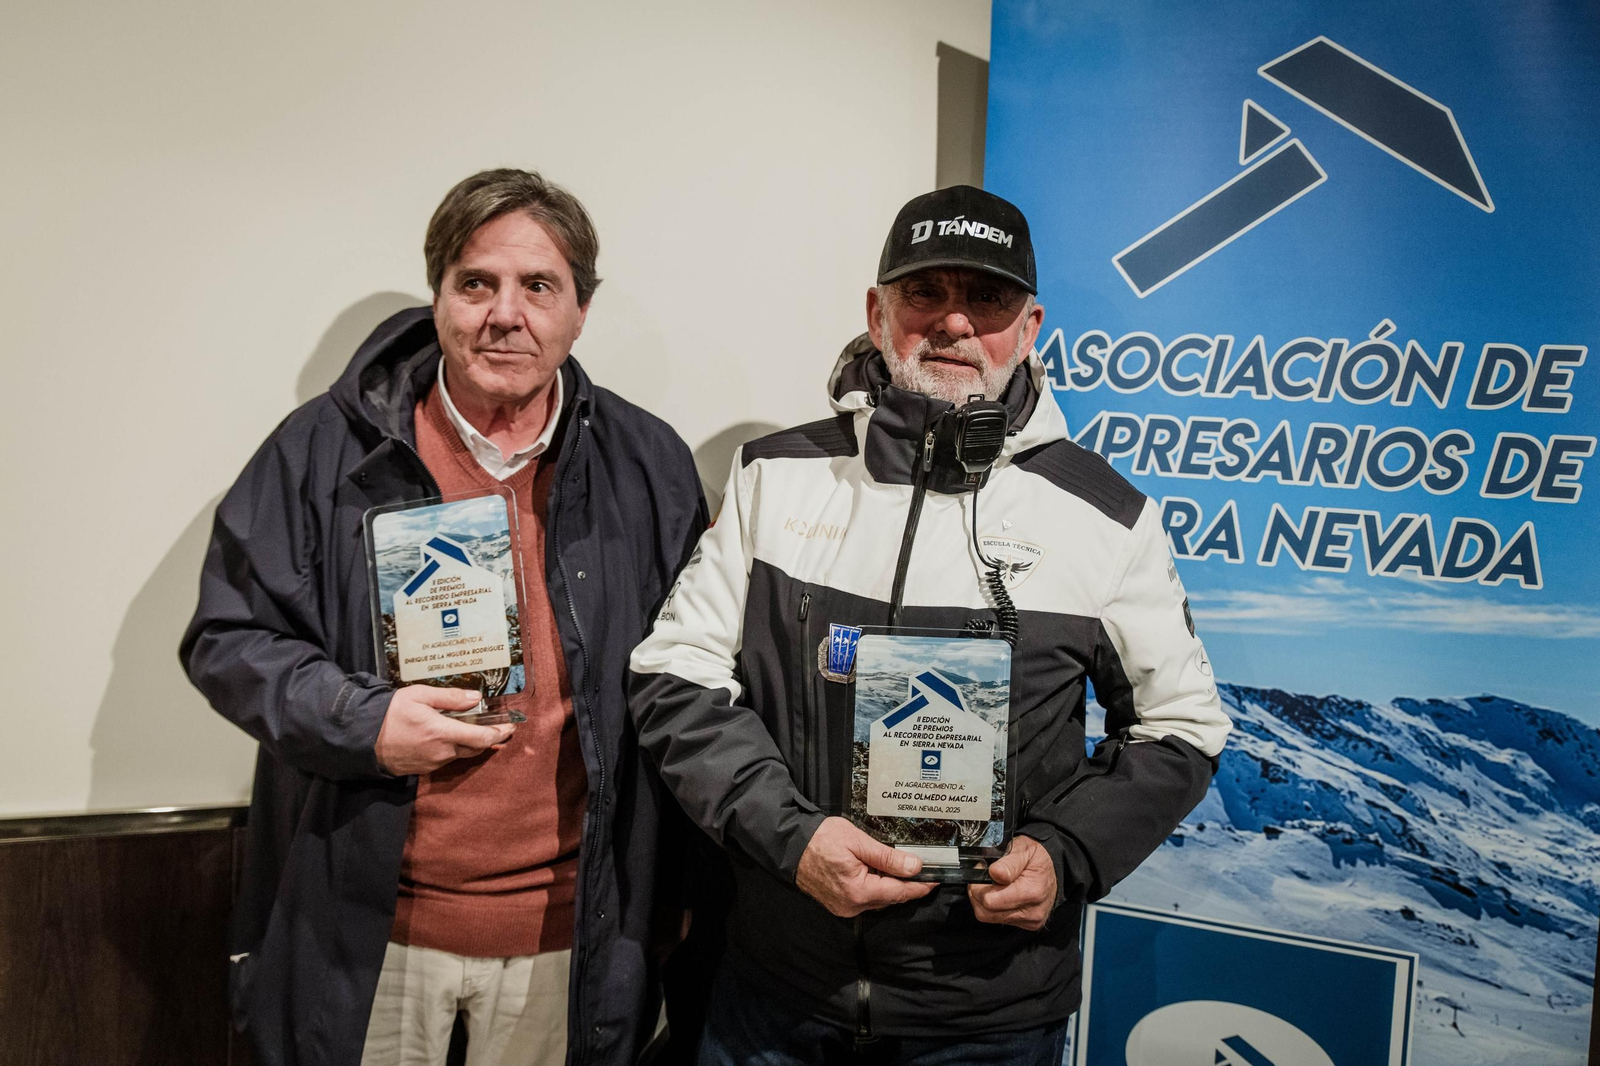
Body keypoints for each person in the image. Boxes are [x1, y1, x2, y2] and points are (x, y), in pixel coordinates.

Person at [628, 185, 1232, 1064]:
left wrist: (1064, 853)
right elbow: (674, 675)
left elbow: (1182, 723)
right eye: (924, 293)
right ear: (878, 315)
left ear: (1030, 328)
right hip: (776, 991)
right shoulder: (774, 475)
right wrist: (792, 840)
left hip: (988, 1012)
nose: (953, 322)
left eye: (987, 298)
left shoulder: (1106, 517)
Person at [182, 168, 706, 1066]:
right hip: (370, 934)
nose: (506, 314)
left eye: (538, 286)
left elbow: (691, 674)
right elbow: (228, 640)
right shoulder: (320, 451)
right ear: (438, 298)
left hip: (571, 938)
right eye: (476, 283)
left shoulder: (649, 464)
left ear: (581, 310)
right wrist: (365, 722)